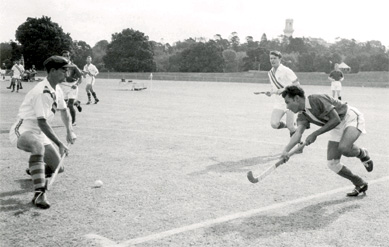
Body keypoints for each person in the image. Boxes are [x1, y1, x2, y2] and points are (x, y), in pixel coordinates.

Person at [280, 85, 373, 197]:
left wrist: (315, 134)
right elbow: (298, 133)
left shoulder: (316, 99)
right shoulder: (302, 114)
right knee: (332, 163)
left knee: (344, 148)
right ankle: (359, 183)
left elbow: (335, 119)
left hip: (349, 117)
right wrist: (286, 151)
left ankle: (362, 153)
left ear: (296, 98)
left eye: (288, 102)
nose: (287, 106)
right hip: (336, 126)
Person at [9, 55, 77, 209]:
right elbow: (42, 122)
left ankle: (35, 170)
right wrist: (59, 143)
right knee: (37, 147)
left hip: (40, 133)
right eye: (63, 70)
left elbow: (64, 111)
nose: (66, 73)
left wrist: (69, 131)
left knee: (58, 167)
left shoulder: (57, 88)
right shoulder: (42, 91)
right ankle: (39, 194)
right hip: (24, 129)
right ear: (52, 71)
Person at [265, 51, 300, 137]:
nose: (272, 60)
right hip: (279, 102)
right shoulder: (270, 73)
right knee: (274, 124)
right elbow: (274, 88)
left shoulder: (286, 70)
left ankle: (297, 144)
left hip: (290, 101)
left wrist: (284, 89)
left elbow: (297, 84)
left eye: (275, 58)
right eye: (271, 58)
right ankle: (290, 125)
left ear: (280, 59)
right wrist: (271, 92)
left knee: (291, 127)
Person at [59, 50, 83, 126]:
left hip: (72, 86)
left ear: (69, 57)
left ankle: (73, 121)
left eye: (67, 56)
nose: (65, 57)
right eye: (64, 56)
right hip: (63, 86)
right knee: (64, 103)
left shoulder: (74, 66)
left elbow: (80, 77)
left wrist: (77, 84)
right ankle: (77, 103)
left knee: (70, 105)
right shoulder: (60, 66)